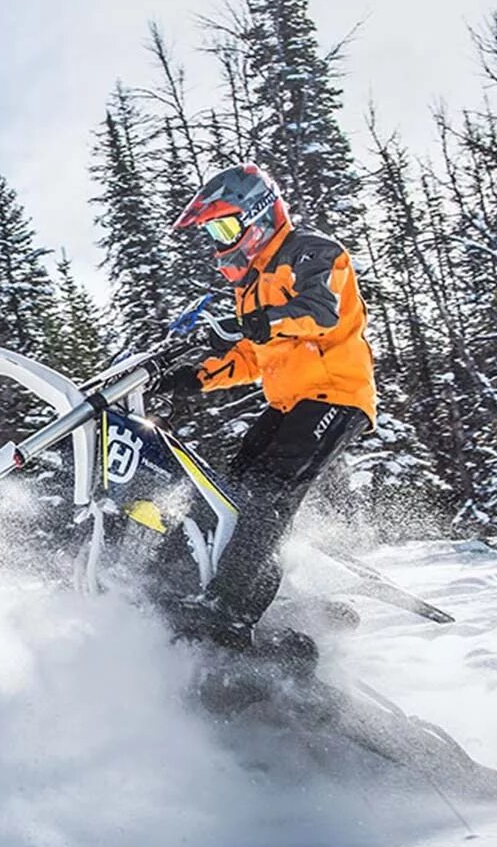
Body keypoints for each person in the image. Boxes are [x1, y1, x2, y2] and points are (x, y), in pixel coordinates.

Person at [150, 163, 377, 657]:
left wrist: (253, 323)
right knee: (226, 494)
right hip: (289, 402)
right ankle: (202, 589)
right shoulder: (250, 284)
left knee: (265, 494)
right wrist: (194, 378)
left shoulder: (311, 251)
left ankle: (231, 614)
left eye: (225, 228)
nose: (220, 242)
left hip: (337, 395)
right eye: (213, 233)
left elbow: (318, 313)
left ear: (258, 215)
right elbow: (253, 354)